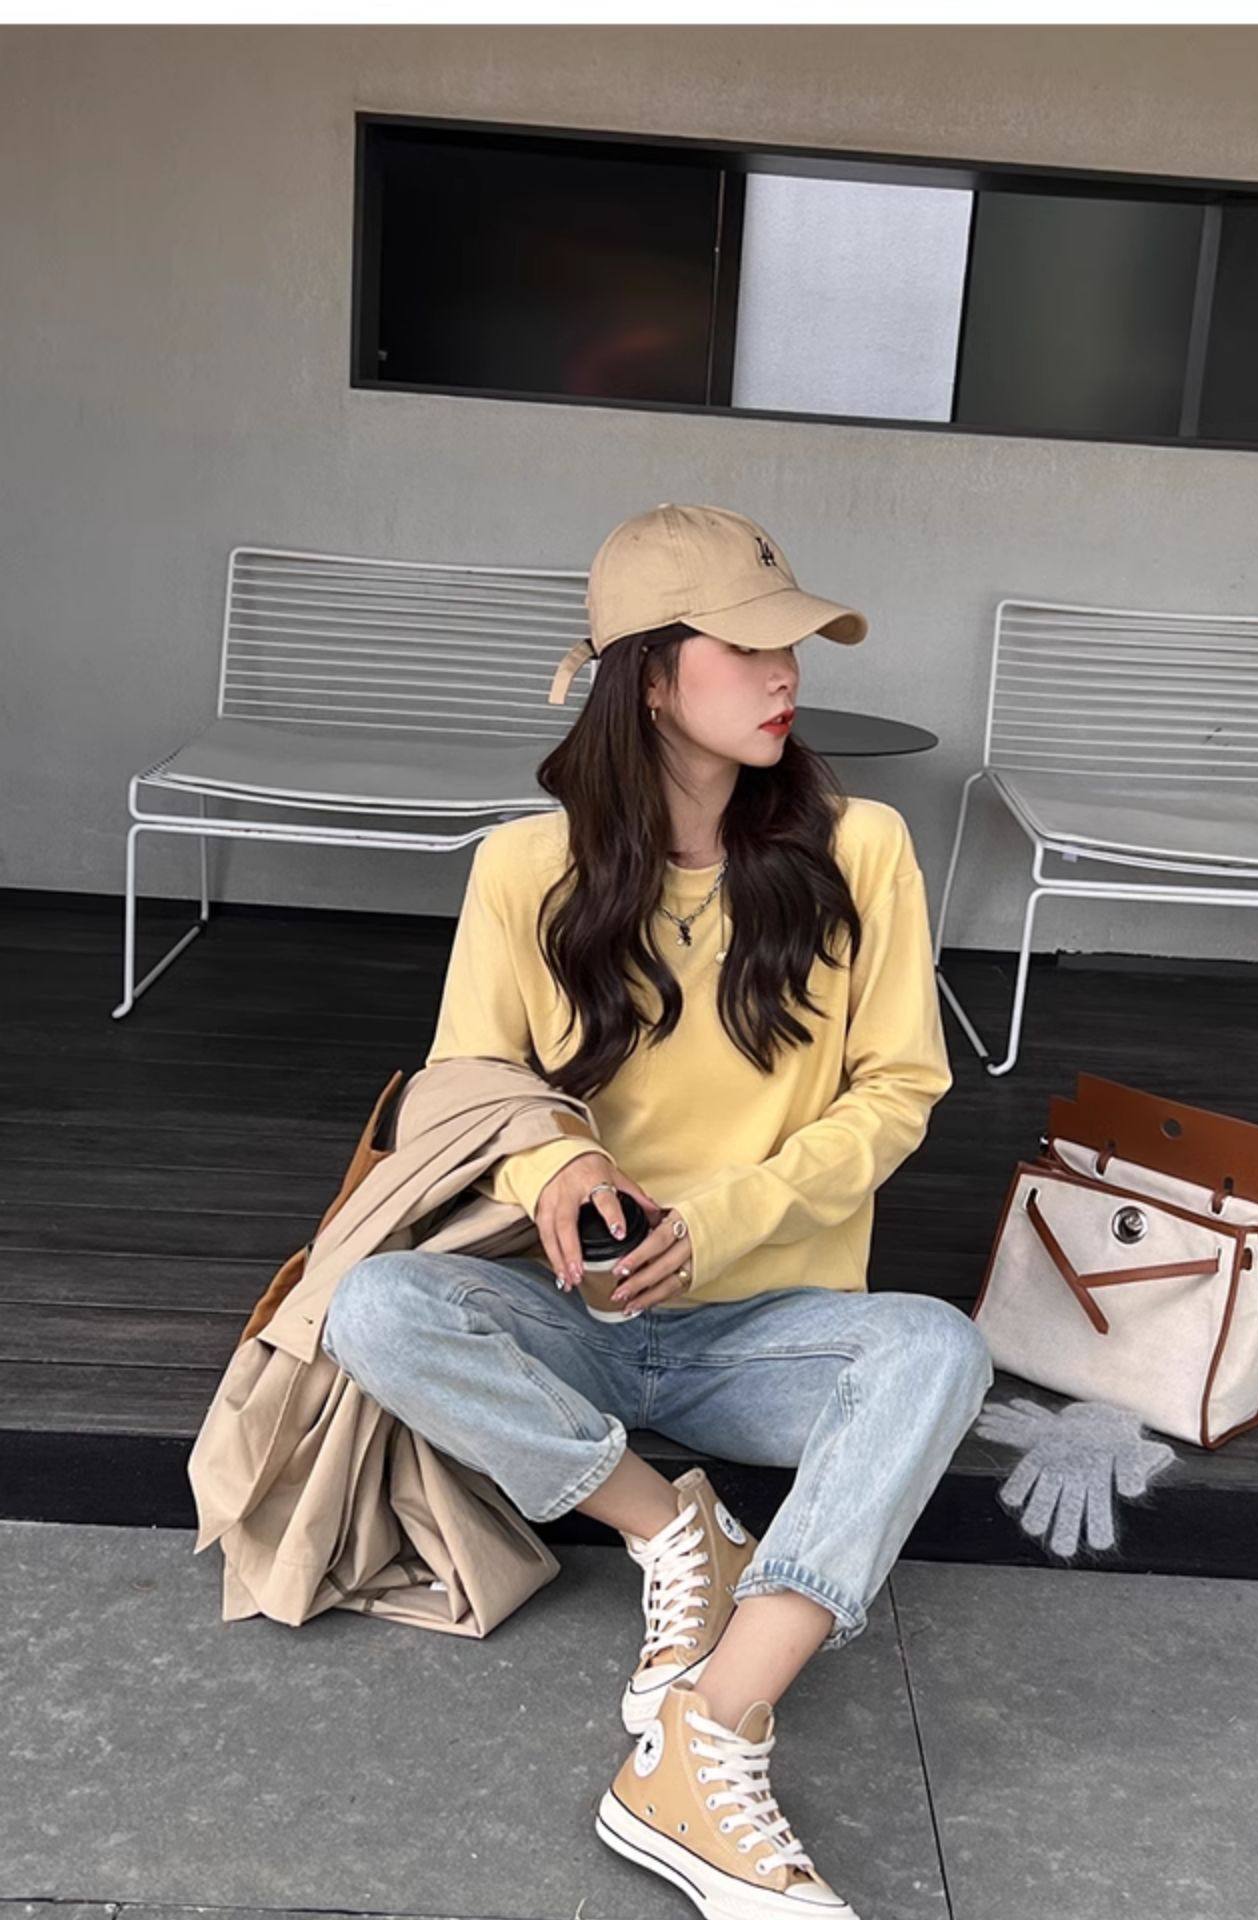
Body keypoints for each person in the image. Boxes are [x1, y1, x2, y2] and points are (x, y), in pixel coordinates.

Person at [321, 502, 993, 1919]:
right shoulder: (523, 869)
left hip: (766, 1331)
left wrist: (725, 1221)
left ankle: (709, 1734)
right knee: (373, 1308)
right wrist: (554, 1170)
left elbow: (900, 1092)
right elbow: (465, 1081)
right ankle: (674, 1531)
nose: (785, 673)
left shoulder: (862, 847)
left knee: (936, 1351)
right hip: (575, 1315)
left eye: (792, 644)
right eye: (748, 647)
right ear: (647, 679)